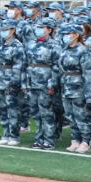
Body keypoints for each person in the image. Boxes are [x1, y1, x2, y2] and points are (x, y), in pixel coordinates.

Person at [56, 24, 91, 153]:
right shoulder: (65, 50)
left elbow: (89, 74)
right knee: (70, 116)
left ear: (76, 35)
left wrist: (90, 95)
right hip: (66, 87)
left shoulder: (83, 51)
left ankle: (86, 141)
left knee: (81, 116)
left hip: (79, 88)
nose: (65, 36)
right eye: (64, 34)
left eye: (68, 34)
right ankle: (75, 140)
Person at [25, 18, 61, 149]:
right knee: (36, 113)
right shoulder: (31, 44)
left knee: (46, 113)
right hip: (32, 83)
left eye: (42, 27)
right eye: (38, 27)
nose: (38, 29)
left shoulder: (54, 45)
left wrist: (52, 83)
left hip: (45, 84)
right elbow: (27, 63)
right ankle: (39, 139)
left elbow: (57, 66)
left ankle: (49, 140)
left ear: (49, 30)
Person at [0, 19, 25, 146]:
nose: (2, 32)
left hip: (11, 82)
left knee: (13, 110)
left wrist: (14, 82)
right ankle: (5, 134)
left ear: (12, 30)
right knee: (3, 110)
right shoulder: (1, 45)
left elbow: (18, 66)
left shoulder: (17, 46)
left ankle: (14, 136)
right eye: (1, 30)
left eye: (5, 30)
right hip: (0, 80)